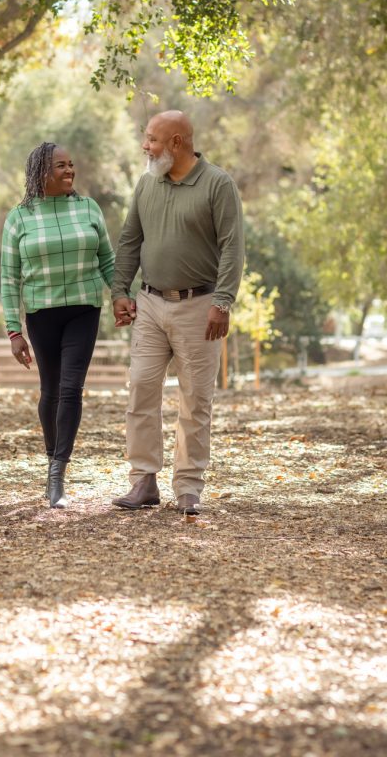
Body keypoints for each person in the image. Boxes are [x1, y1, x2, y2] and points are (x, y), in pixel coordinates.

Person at [111, 110, 244, 515]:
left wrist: (222, 302)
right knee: (141, 390)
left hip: (200, 307)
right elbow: (130, 239)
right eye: (145, 137)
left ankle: (188, 487)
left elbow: (233, 247)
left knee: (196, 400)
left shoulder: (217, 184)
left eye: (152, 139)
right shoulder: (147, 183)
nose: (145, 145)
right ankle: (143, 482)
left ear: (177, 144)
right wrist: (120, 290)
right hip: (150, 303)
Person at [0, 142, 114, 508]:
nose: (69, 171)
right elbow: (8, 278)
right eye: (60, 166)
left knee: (71, 389)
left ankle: (57, 474)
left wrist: (122, 295)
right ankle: (52, 458)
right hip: (42, 312)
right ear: (40, 173)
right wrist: (14, 331)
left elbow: (107, 260)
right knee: (50, 390)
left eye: (71, 164)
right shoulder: (20, 217)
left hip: (84, 307)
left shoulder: (88, 208)